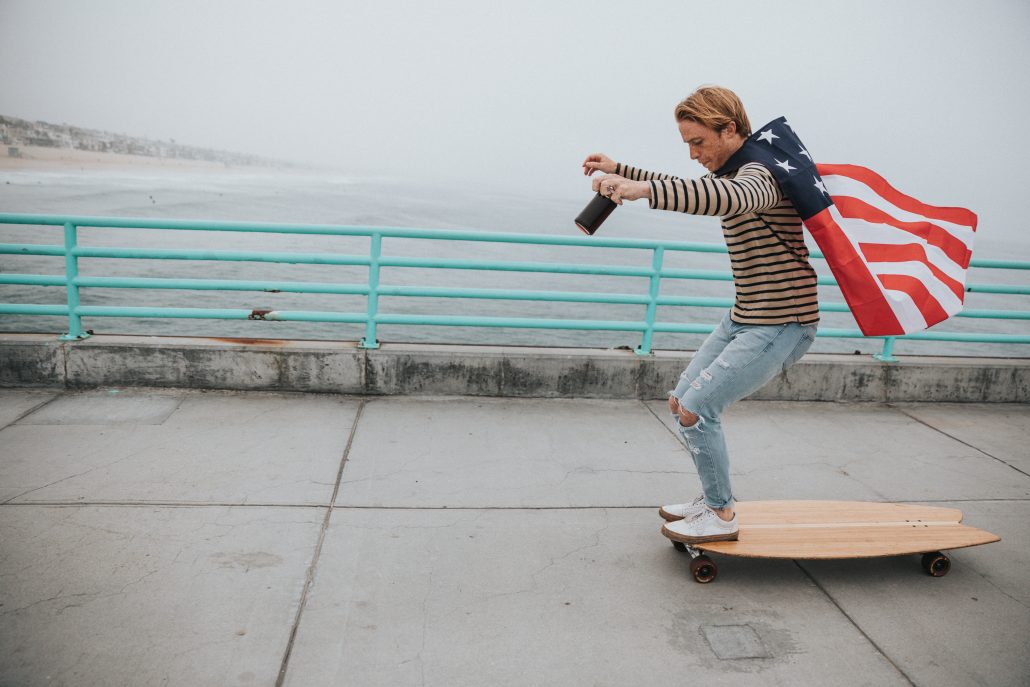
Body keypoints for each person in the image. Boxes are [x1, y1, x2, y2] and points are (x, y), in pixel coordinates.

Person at [582, 85, 819, 544]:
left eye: (698, 142)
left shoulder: (761, 174)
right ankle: (713, 497)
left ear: (729, 128)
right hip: (745, 316)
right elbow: (699, 188)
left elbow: (725, 199)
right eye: (687, 144)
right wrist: (621, 170)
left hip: (782, 322)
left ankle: (721, 514)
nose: (693, 154)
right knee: (680, 402)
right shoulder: (734, 170)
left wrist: (643, 189)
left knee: (697, 409)